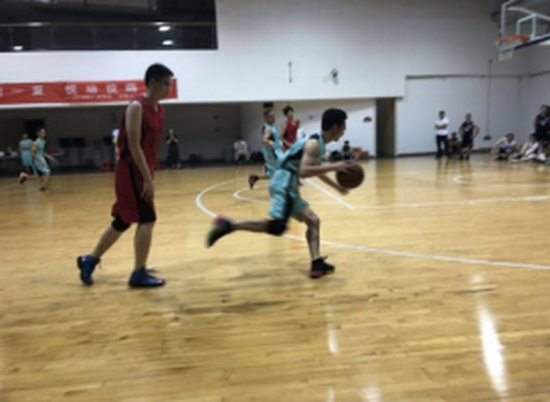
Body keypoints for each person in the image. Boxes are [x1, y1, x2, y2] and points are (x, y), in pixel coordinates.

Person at [207, 108, 355, 279]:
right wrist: (336, 166)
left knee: (313, 221)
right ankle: (228, 225)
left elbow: (316, 170)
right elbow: (304, 170)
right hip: (284, 183)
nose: (344, 131)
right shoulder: (313, 144)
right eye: (343, 127)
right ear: (335, 127)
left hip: (288, 183)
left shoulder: (318, 144)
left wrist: (337, 187)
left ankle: (317, 263)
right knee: (277, 227)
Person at [76, 63, 174, 288]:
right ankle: (138, 273)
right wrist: (146, 178)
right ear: (152, 83)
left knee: (123, 220)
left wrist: (150, 173)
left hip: (143, 170)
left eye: (170, 84)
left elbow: (150, 147)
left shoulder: (160, 111)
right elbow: (133, 145)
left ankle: (89, 260)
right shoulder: (136, 107)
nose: (168, 89)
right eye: (165, 84)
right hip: (131, 170)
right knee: (147, 219)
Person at [248, 108, 282, 189]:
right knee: (280, 169)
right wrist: (272, 144)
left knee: (272, 172)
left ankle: (255, 177)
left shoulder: (272, 127)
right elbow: (264, 139)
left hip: (274, 152)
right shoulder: (268, 128)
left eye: (274, 116)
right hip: (272, 153)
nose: (274, 118)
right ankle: (279, 187)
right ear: (266, 118)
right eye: (272, 116)